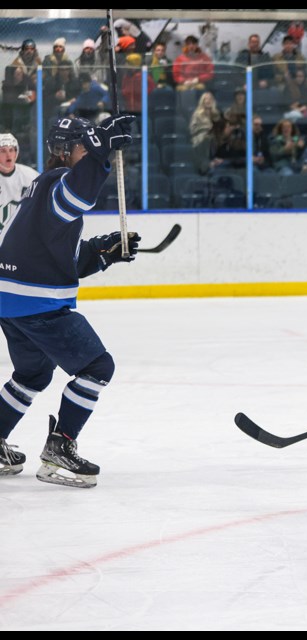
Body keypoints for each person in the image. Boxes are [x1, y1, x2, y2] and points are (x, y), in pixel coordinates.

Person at [0, 114, 139, 485]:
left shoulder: (38, 187)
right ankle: (60, 449)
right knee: (98, 367)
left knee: (32, 375)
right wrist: (100, 152)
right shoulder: (60, 182)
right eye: (82, 147)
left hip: (10, 300)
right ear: (71, 150)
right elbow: (77, 194)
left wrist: (102, 252)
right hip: (37, 304)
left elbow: (56, 254)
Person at [0, 132, 39, 233]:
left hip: (21, 237)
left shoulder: (31, 176)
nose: (8, 155)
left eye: (11, 150)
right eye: (3, 151)